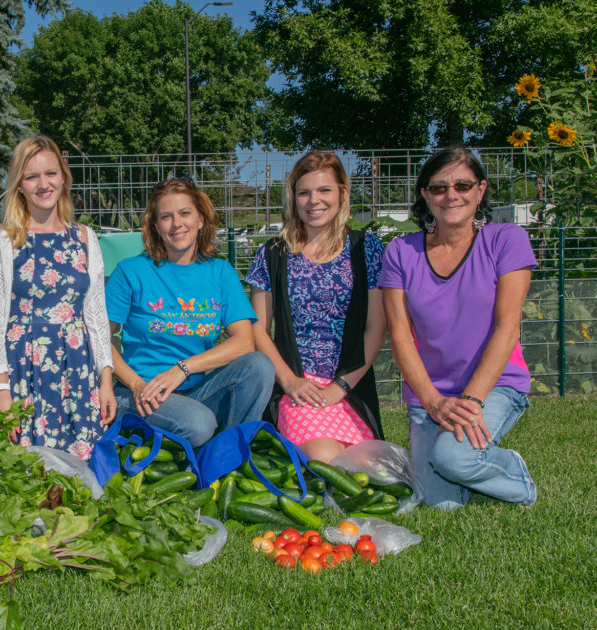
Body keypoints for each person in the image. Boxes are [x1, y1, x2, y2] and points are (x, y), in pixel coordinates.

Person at [380, 146, 537, 509]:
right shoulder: (401, 253)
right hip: (429, 395)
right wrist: (434, 402)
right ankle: (470, 466)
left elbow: (507, 327)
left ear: (480, 191)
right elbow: (400, 337)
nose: (451, 195)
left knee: (454, 460)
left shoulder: (505, 240)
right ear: (425, 195)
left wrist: (471, 401)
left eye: (463, 185)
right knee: (441, 503)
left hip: (493, 385)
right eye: (438, 188)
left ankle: (515, 477)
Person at [105, 178, 275, 449]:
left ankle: (227, 454)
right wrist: (135, 385)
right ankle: (188, 446)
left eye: (185, 213)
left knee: (259, 365)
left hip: (196, 390)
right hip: (141, 393)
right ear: (156, 226)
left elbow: (244, 342)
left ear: (201, 220)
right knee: (199, 424)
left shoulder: (220, 272)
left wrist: (183, 369)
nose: (177, 223)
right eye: (166, 216)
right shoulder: (131, 271)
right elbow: (100, 338)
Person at [0, 136, 116, 458]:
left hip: (77, 369)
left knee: (79, 475)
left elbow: (95, 316)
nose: (44, 184)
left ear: (63, 177)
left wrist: (105, 379)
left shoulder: (84, 238)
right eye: (32, 177)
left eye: (51, 174)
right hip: (23, 372)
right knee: (25, 471)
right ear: (19, 185)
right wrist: (1, 394)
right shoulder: (3, 241)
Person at [245, 151, 386, 462]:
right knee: (325, 459)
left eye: (324, 190)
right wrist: (289, 381)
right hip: (297, 388)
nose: (314, 201)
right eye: (304, 192)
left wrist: (340, 387)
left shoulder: (367, 249)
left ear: (342, 193)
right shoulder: (272, 254)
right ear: (293, 198)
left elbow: (377, 327)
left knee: (370, 467)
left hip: (349, 385)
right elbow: (257, 328)